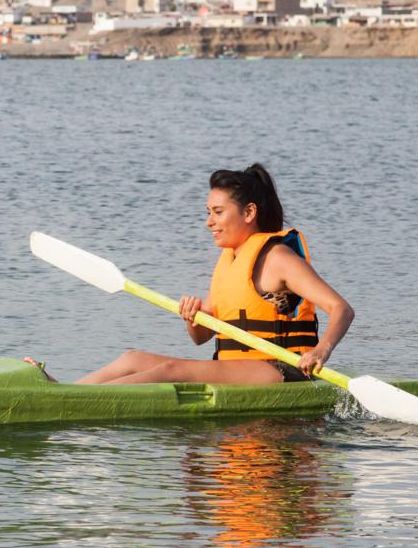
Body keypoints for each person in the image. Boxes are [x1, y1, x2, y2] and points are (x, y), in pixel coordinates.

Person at [72, 164, 353, 385]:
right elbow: (201, 337)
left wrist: (321, 351)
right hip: (239, 367)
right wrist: (192, 318)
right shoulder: (231, 260)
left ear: (249, 212)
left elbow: (341, 308)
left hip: (282, 370)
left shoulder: (278, 257)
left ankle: (78, 403)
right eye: (208, 212)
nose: (209, 222)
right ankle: (67, 391)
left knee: (172, 369)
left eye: (218, 212)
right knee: (132, 358)